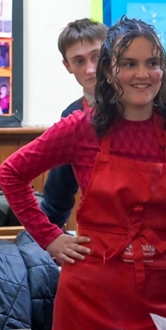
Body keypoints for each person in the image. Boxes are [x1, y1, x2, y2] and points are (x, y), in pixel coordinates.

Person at [0, 17, 166, 330]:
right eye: (129, 64)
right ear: (107, 71)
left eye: (152, 63)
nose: (142, 74)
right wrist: (51, 238)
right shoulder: (80, 128)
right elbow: (10, 174)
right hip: (91, 296)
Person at [40, 18, 109, 227]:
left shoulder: (146, 104)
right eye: (79, 61)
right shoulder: (73, 116)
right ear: (67, 66)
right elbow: (58, 194)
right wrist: (46, 239)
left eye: (97, 57)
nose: (90, 69)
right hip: (102, 237)